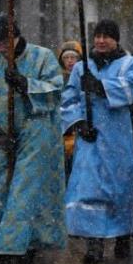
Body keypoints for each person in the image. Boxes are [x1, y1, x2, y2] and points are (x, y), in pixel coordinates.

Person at [0, 15, 67, 264]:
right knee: (0, 199)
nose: (2, 46)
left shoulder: (42, 57)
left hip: (35, 134)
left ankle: (8, 261)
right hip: (0, 141)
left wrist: (26, 84)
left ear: (15, 35)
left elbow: (55, 90)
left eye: (5, 40)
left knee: (24, 198)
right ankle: (10, 256)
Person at [62, 19, 133, 264]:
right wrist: (79, 124)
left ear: (116, 39)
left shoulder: (130, 64)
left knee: (121, 187)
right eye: (97, 36)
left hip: (120, 137)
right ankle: (94, 242)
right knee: (89, 187)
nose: (100, 41)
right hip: (90, 139)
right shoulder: (81, 68)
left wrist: (100, 87)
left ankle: (122, 236)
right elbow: (69, 99)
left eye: (106, 36)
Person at [58, 41, 82, 177]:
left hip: (77, 130)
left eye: (73, 57)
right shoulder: (58, 78)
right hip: (61, 130)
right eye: (66, 58)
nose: (70, 61)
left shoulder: (84, 77)